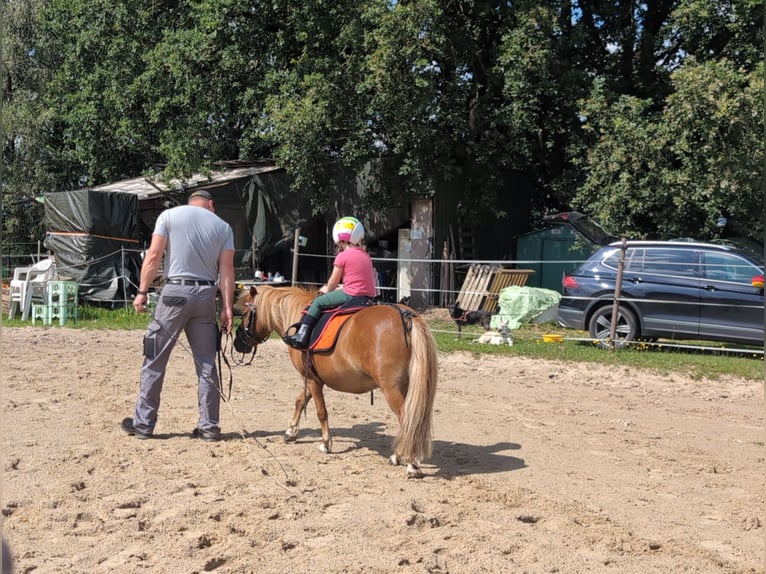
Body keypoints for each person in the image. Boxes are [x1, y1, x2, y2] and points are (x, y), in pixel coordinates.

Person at [121, 189, 235, 442]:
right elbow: (227, 271)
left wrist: (141, 292)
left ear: (190, 203)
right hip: (206, 295)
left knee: (155, 358)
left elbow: (153, 257)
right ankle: (209, 427)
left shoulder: (169, 216)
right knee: (207, 364)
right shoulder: (224, 227)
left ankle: (143, 423)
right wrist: (227, 308)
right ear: (211, 204)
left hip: (174, 292)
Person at [284, 216, 377, 349]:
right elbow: (359, 279)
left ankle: (301, 336)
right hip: (367, 296)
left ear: (340, 239)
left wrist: (327, 289)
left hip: (351, 294)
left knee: (317, 302)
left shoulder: (342, 256)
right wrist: (342, 286)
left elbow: (333, 280)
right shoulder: (365, 255)